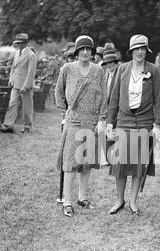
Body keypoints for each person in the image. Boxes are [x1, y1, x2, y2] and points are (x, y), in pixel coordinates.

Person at [106, 34, 160, 216]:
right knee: (121, 163)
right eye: (136, 49)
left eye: (143, 48)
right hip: (124, 121)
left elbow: (159, 99)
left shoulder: (153, 71)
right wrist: (109, 122)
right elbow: (114, 98)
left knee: (139, 164)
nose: (140, 52)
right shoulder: (122, 69)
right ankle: (119, 200)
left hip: (145, 122)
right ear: (131, 51)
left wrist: (157, 125)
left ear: (146, 50)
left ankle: (133, 201)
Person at [55, 35, 106, 218]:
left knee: (87, 163)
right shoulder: (67, 69)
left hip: (92, 122)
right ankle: (67, 201)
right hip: (74, 121)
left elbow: (103, 96)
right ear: (76, 52)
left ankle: (82, 197)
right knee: (70, 163)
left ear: (92, 52)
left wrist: (101, 119)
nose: (85, 52)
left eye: (89, 50)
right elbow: (58, 92)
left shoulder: (99, 71)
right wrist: (64, 114)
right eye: (82, 49)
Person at [0, 33, 37, 134]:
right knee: (12, 104)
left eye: (20, 43)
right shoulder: (16, 53)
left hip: (25, 85)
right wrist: (11, 80)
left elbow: (31, 72)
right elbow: (13, 68)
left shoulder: (31, 55)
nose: (18, 44)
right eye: (17, 43)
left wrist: (26, 86)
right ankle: (8, 125)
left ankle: (27, 127)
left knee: (26, 107)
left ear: (25, 43)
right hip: (15, 84)